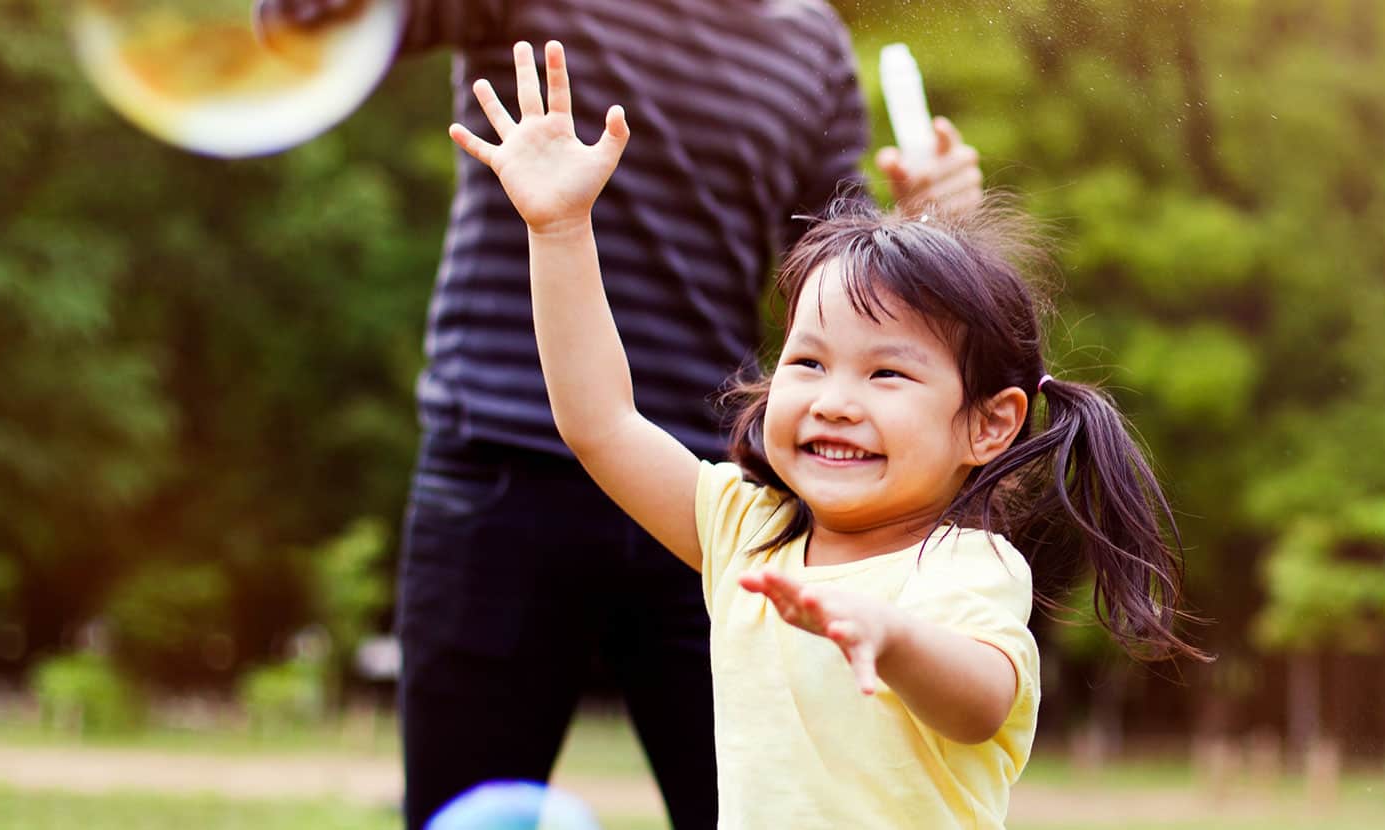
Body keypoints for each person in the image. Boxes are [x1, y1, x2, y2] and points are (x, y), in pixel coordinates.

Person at [250, 1, 985, 826]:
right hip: (500, 467)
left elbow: (829, 274)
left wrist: (920, 225)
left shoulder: (807, 38)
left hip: (718, 500)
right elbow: (300, 21)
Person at [447, 42, 1207, 826]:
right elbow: (600, 423)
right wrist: (562, 229)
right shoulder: (748, 531)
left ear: (990, 425)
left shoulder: (962, 567)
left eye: (886, 375)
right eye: (808, 361)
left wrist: (895, 637)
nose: (835, 401)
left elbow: (984, 702)